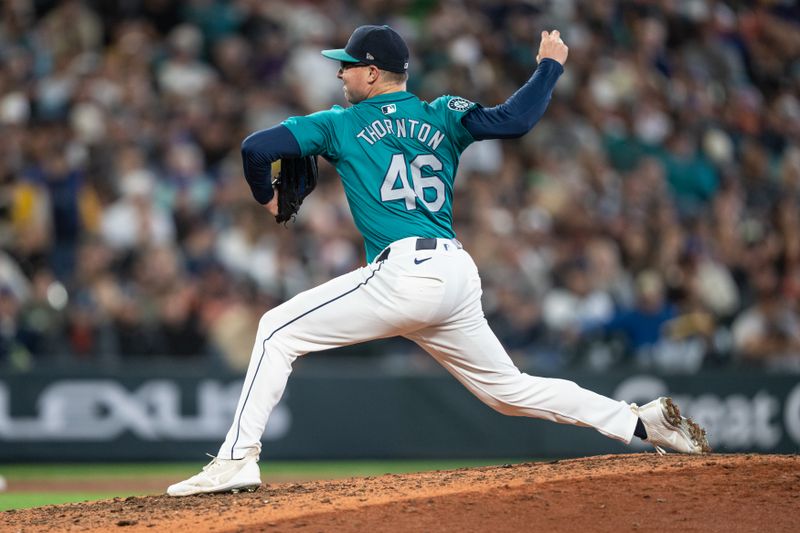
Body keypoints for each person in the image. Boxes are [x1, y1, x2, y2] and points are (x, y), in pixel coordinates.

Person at [167, 25, 710, 497]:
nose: (340, 75)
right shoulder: (442, 113)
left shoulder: (340, 123)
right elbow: (514, 121)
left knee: (274, 330)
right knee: (509, 390)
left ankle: (236, 460)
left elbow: (255, 147)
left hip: (404, 273)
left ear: (373, 74)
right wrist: (549, 65)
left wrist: (268, 198)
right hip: (454, 273)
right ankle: (640, 424)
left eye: (348, 66)